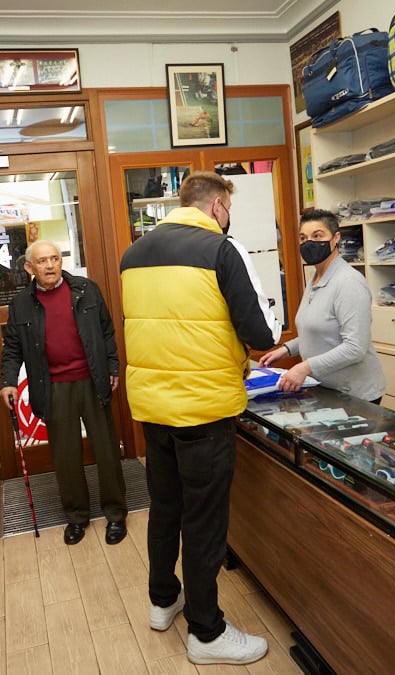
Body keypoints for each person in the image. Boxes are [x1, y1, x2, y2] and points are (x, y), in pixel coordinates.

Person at [119, 171, 280, 666]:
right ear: (216, 208)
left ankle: (163, 602)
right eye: (228, 209)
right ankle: (207, 633)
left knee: (165, 507)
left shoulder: (134, 254)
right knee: (205, 519)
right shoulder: (219, 251)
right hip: (204, 407)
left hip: (153, 406)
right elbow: (259, 334)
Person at [0, 240, 128, 546]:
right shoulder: (21, 305)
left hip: (92, 380)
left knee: (106, 450)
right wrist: (7, 381)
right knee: (66, 456)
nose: (50, 266)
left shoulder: (86, 290)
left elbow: (107, 331)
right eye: (42, 261)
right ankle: (77, 517)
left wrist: (112, 367)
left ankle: (116, 514)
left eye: (55, 259)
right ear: (30, 268)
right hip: (52, 386)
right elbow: (12, 349)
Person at [258, 208, 386, 403]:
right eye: (303, 238)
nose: (309, 243)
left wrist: (304, 367)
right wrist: (286, 349)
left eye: (318, 236)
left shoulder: (349, 282)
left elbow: (355, 347)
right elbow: (320, 332)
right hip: (327, 389)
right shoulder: (316, 278)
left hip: (355, 394)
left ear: (336, 239)